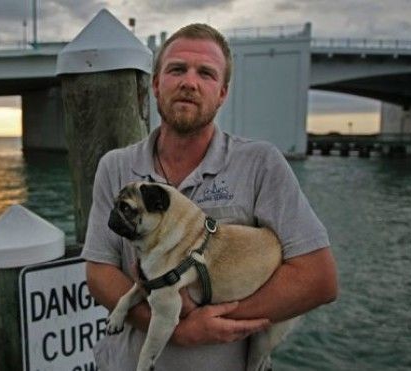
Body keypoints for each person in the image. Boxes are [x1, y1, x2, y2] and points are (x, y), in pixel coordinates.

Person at [81, 23, 338, 370]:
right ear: (155, 85)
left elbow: (318, 279)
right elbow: (99, 272)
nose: (190, 82)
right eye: (176, 70)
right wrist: (178, 330)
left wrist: (212, 323)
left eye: (206, 73)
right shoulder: (116, 166)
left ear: (222, 93)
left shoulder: (260, 163)